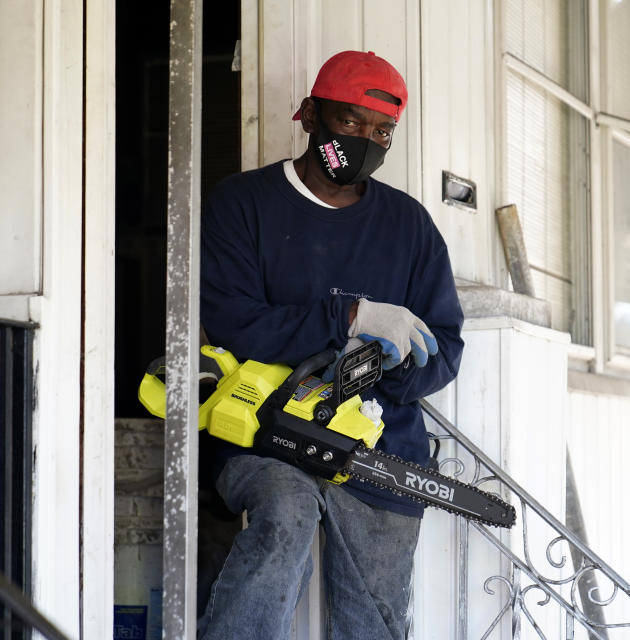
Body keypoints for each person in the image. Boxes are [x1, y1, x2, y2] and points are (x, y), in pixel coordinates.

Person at [198, 50, 464, 640]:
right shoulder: (243, 206)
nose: (365, 141)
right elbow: (231, 319)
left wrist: (393, 368)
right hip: (267, 432)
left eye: (382, 132)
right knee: (281, 526)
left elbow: (446, 344)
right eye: (350, 123)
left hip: (379, 441)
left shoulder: (409, 226)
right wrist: (347, 316)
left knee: (376, 613)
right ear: (310, 114)